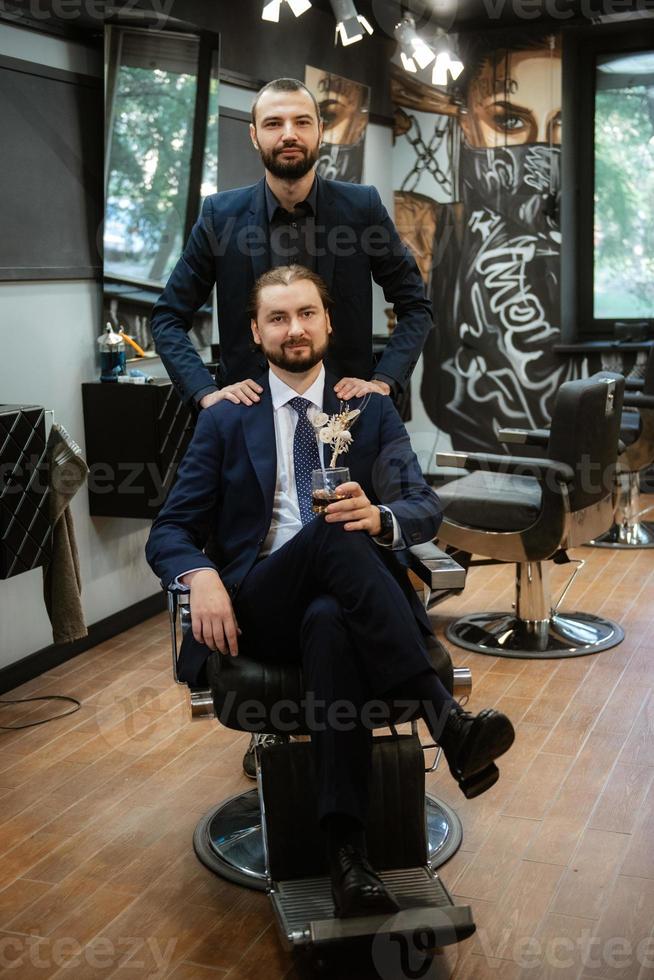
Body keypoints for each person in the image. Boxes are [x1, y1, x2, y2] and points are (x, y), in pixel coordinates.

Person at [146, 265, 514, 918]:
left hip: (344, 607)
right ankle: (444, 719)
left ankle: (348, 858)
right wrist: (198, 575)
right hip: (259, 604)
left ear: (328, 321)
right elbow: (171, 528)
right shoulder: (228, 418)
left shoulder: (368, 408)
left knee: (331, 610)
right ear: (256, 332)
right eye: (279, 318)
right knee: (334, 528)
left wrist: (383, 516)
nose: (296, 329)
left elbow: (421, 502)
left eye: (307, 314)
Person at [150, 76, 432, 413]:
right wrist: (204, 391)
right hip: (249, 416)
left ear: (320, 130)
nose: (289, 134)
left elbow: (415, 305)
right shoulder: (219, 216)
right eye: (273, 123)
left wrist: (385, 379)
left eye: (302, 122)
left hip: (347, 414)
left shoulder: (362, 208)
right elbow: (167, 317)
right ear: (254, 135)